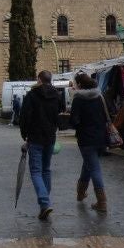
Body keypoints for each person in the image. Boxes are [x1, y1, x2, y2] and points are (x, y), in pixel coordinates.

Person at [20, 70, 63, 220]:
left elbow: (24, 116)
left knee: (36, 172)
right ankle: (45, 202)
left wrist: (24, 134)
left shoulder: (32, 95)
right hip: (50, 137)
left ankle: (45, 203)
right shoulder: (57, 95)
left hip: (35, 137)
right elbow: (60, 113)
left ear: (39, 79)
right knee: (46, 170)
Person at [69, 73, 108, 213]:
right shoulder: (99, 96)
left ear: (79, 84)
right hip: (101, 137)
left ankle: (102, 202)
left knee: (94, 168)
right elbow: (106, 116)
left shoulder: (78, 99)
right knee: (89, 164)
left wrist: (79, 125)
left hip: (86, 138)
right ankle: (80, 193)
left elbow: (74, 120)